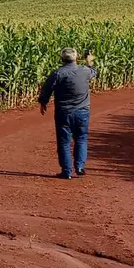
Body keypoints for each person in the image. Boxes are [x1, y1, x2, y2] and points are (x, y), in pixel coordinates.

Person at [38, 47, 97, 179]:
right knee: (81, 138)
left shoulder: (58, 73)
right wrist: (89, 61)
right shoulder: (85, 70)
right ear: (76, 58)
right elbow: (94, 72)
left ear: (62, 59)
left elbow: (47, 89)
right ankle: (80, 167)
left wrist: (43, 102)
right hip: (83, 111)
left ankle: (67, 171)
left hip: (63, 112)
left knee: (64, 142)